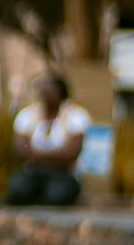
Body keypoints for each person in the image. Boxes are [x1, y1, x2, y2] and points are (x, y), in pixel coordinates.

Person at [7, 73, 88, 207]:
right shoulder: (28, 115)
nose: (45, 93)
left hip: (62, 173)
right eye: (42, 89)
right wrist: (56, 154)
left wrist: (36, 155)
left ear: (61, 91)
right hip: (33, 172)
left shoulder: (75, 115)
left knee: (58, 196)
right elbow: (21, 150)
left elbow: (72, 153)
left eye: (50, 89)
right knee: (17, 190)